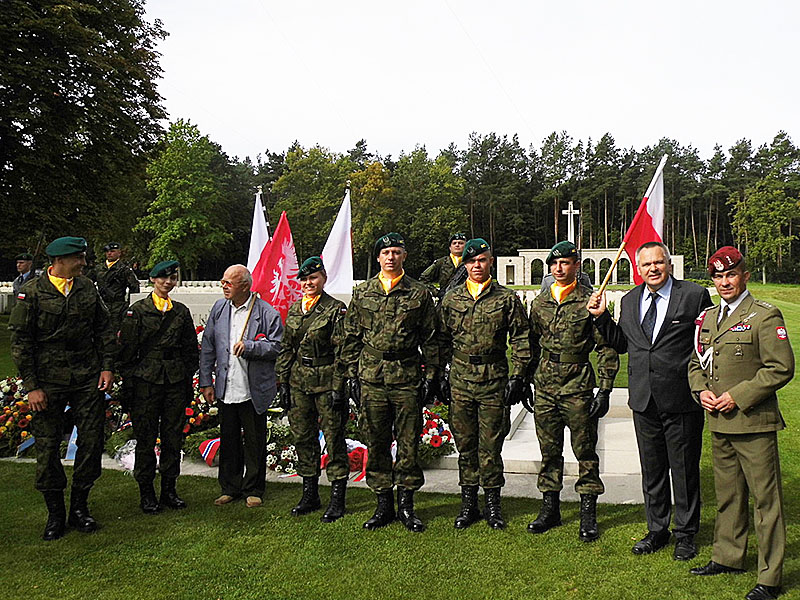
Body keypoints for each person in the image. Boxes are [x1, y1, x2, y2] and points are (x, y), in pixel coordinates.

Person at [587, 242, 712, 560]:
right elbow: (624, 344)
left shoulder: (693, 296)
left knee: (683, 470)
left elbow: (708, 344)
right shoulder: (629, 301)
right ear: (637, 268)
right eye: (646, 265)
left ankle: (686, 534)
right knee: (652, 469)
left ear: (668, 264)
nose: (653, 268)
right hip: (643, 399)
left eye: (659, 262)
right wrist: (602, 319)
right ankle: (657, 530)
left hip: (681, 397)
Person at [688, 247, 794, 600]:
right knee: (728, 497)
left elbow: (780, 368)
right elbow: (696, 363)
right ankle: (728, 556)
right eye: (718, 277)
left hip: (753, 423)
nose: (724, 282)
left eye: (730, 275)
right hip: (719, 422)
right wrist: (700, 391)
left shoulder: (764, 315)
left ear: (744, 276)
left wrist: (737, 395)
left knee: (767, 503)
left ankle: (770, 576)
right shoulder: (708, 318)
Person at [8, 236, 115, 540]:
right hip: (48, 382)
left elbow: (104, 328)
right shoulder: (32, 293)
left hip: (86, 378)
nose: (83, 263)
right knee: (47, 445)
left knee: (92, 441)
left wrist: (107, 366)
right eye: (78, 258)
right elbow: (20, 344)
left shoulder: (87, 289)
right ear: (59, 261)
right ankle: (55, 514)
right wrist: (32, 387)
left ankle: (79, 507)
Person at [341, 232, 440, 532]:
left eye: (396, 252)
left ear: (404, 257)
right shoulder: (363, 293)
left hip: (407, 376)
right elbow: (351, 336)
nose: (391, 257)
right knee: (377, 441)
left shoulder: (419, 294)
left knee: (409, 442)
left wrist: (432, 376)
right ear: (378, 258)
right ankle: (383, 504)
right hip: (372, 378)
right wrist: (350, 375)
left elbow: (431, 338)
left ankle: (407, 506)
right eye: (386, 253)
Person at [527, 240, 619, 542]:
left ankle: (588, 513)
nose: (559, 268)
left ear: (576, 266)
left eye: (565, 263)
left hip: (577, 386)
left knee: (585, 451)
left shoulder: (589, 302)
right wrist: (526, 379)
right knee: (549, 450)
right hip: (545, 386)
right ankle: (550, 508)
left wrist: (604, 389)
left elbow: (606, 348)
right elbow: (531, 344)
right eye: (554, 264)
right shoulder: (539, 303)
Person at [438, 238, 531, 529]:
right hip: (461, 381)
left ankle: (493, 505)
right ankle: (468, 504)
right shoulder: (452, 300)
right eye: (472, 261)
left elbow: (520, 338)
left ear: (491, 261)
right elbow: (440, 339)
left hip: (493, 380)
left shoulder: (506, 299)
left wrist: (519, 375)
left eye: (482, 260)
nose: (477, 266)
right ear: (464, 265)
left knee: (491, 446)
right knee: (465, 445)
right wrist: (439, 374)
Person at [118, 260, 199, 514]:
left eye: (172, 278)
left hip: (174, 382)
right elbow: (127, 352)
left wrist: (186, 377)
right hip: (146, 382)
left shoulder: (181, 311)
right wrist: (129, 385)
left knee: (173, 438)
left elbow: (190, 351)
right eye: (163, 278)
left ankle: (169, 489)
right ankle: (146, 492)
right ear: (153, 280)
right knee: (145, 438)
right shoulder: (138, 310)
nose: (168, 283)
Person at [198, 265, 283, 508]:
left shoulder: (266, 313)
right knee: (229, 438)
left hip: (252, 389)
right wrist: (206, 381)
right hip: (226, 387)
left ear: (245, 286)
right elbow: (208, 347)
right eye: (223, 281)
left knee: (255, 441)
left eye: (229, 282)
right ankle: (230, 487)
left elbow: (277, 346)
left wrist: (251, 347)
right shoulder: (219, 308)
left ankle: (254, 488)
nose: (223, 286)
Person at [275, 256, 350, 522]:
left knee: (333, 438)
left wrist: (339, 386)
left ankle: (337, 497)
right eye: (304, 279)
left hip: (327, 380)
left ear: (323, 278)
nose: (308, 283)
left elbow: (343, 352)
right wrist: (282, 382)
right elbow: (287, 348)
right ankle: (310, 494)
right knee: (303, 436)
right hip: (298, 382)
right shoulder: (296, 309)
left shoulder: (335, 309)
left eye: (313, 278)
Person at [94, 242, 140, 333]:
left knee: (115, 332)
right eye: (107, 251)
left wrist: (128, 305)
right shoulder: (99, 268)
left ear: (119, 253)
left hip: (117, 306)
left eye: (112, 251)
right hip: (101, 304)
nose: (109, 253)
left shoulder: (124, 269)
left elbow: (134, 287)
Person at [420, 232, 467, 299]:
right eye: (454, 243)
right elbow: (423, 280)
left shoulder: (472, 262)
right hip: (445, 300)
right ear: (450, 247)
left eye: (461, 243)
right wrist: (437, 292)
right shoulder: (441, 262)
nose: (457, 245)